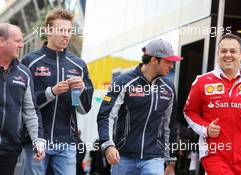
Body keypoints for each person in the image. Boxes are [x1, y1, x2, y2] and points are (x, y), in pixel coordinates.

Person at [21, 8, 94, 175]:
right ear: (47, 30)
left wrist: (82, 89)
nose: (66, 35)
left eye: (68, 31)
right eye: (61, 30)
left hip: (66, 142)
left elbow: (84, 109)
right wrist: (51, 92)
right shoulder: (30, 61)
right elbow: (24, 105)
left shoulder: (79, 65)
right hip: (36, 140)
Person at [97, 39, 183, 175]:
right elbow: (105, 115)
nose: (172, 66)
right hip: (123, 157)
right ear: (154, 60)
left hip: (154, 158)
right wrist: (108, 145)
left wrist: (170, 161)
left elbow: (170, 126)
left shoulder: (169, 88)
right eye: (168, 61)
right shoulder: (123, 82)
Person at [183, 34, 241, 175]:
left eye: (232, 51)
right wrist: (206, 129)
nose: (228, 55)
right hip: (214, 155)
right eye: (223, 51)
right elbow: (189, 112)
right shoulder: (202, 81)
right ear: (218, 54)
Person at [0, 23, 45, 175]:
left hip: (10, 149)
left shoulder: (24, 74)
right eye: (17, 41)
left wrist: (38, 141)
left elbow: (30, 111)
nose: (21, 45)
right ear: (2, 41)